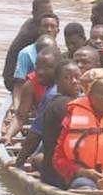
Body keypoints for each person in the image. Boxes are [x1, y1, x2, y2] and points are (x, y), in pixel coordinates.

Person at [55, 68, 103, 190]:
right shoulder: (73, 116)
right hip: (87, 178)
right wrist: (80, 171)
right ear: (89, 94)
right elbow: (58, 158)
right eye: (101, 93)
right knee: (82, 186)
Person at [21, 60, 82, 188]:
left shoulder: (81, 102)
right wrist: (19, 161)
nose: (75, 81)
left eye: (77, 77)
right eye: (68, 78)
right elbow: (35, 135)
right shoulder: (61, 104)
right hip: (59, 174)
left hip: (64, 170)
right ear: (57, 81)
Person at [0, 47, 62, 148]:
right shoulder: (31, 85)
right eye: (37, 66)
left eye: (47, 68)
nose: (40, 72)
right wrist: (8, 135)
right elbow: (20, 116)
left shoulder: (69, 84)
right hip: (44, 130)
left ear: (59, 69)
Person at [2, 0, 52, 91]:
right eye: (44, 13)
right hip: (13, 79)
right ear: (34, 13)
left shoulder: (30, 22)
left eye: (50, 12)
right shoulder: (34, 32)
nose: (48, 16)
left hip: (11, 74)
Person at [12, 33, 58, 115]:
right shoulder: (31, 82)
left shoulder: (66, 79)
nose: (41, 71)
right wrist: (16, 109)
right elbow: (18, 85)